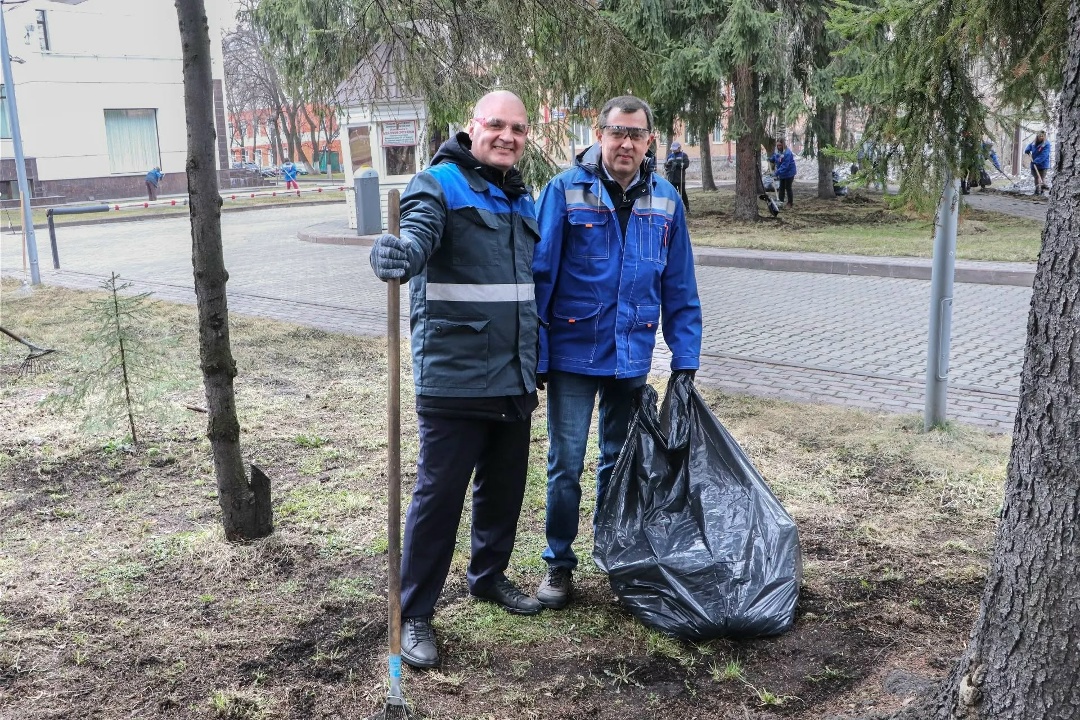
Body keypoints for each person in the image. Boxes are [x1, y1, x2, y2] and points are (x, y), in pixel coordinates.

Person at [367, 90, 543, 669]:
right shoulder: (438, 184)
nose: (508, 136)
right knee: (439, 499)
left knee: (504, 488)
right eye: (497, 125)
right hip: (457, 376)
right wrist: (401, 253)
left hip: (514, 373)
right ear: (472, 127)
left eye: (518, 128)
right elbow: (418, 235)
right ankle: (414, 611)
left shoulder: (520, 196)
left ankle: (487, 578)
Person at [532, 95, 703, 610]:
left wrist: (685, 360)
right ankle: (558, 564)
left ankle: (611, 555)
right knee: (565, 463)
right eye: (616, 133)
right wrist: (537, 355)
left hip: (631, 355)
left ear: (649, 141)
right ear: (599, 134)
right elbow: (541, 276)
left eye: (636, 135)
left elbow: (680, 287)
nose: (625, 143)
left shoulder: (667, 199)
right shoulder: (565, 192)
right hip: (572, 356)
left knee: (617, 463)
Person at [769, 139, 796, 208]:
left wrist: (776, 173)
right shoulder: (778, 151)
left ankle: (790, 203)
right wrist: (770, 159)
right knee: (781, 187)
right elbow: (775, 157)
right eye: (777, 145)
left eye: (780, 145)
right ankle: (780, 201)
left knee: (788, 187)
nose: (778, 147)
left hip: (789, 172)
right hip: (782, 173)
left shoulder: (787, 153)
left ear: (783, 145)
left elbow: (785, 166)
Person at [664, 141, 690, 211]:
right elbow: (666, 167)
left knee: (683, 193)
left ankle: (687, 207)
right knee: (673, 194)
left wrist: (678, 164)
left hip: (680, 178)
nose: (674, 150)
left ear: (679, 148)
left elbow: (686, 165)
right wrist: (667, 165)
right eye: (673, 149)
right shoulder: (670, 156)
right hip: (671, 178)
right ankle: (674, 209)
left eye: (675, 148)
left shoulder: (683, 155)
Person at [1023, 131, 1051, 195]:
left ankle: (1042, 190)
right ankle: (1037, 190)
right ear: (1037, 136)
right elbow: (1029, 146)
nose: (1040, 137)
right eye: (1039, 136)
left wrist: (1037, 161)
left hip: (1043, 164)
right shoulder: (1034, 142)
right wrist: (1027, 150)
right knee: (1036, 177)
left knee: (1042, 177)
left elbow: (1044, 155)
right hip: (1034, 163)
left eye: (1042, 136)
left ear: (1044, 136)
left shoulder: (1046, 144)